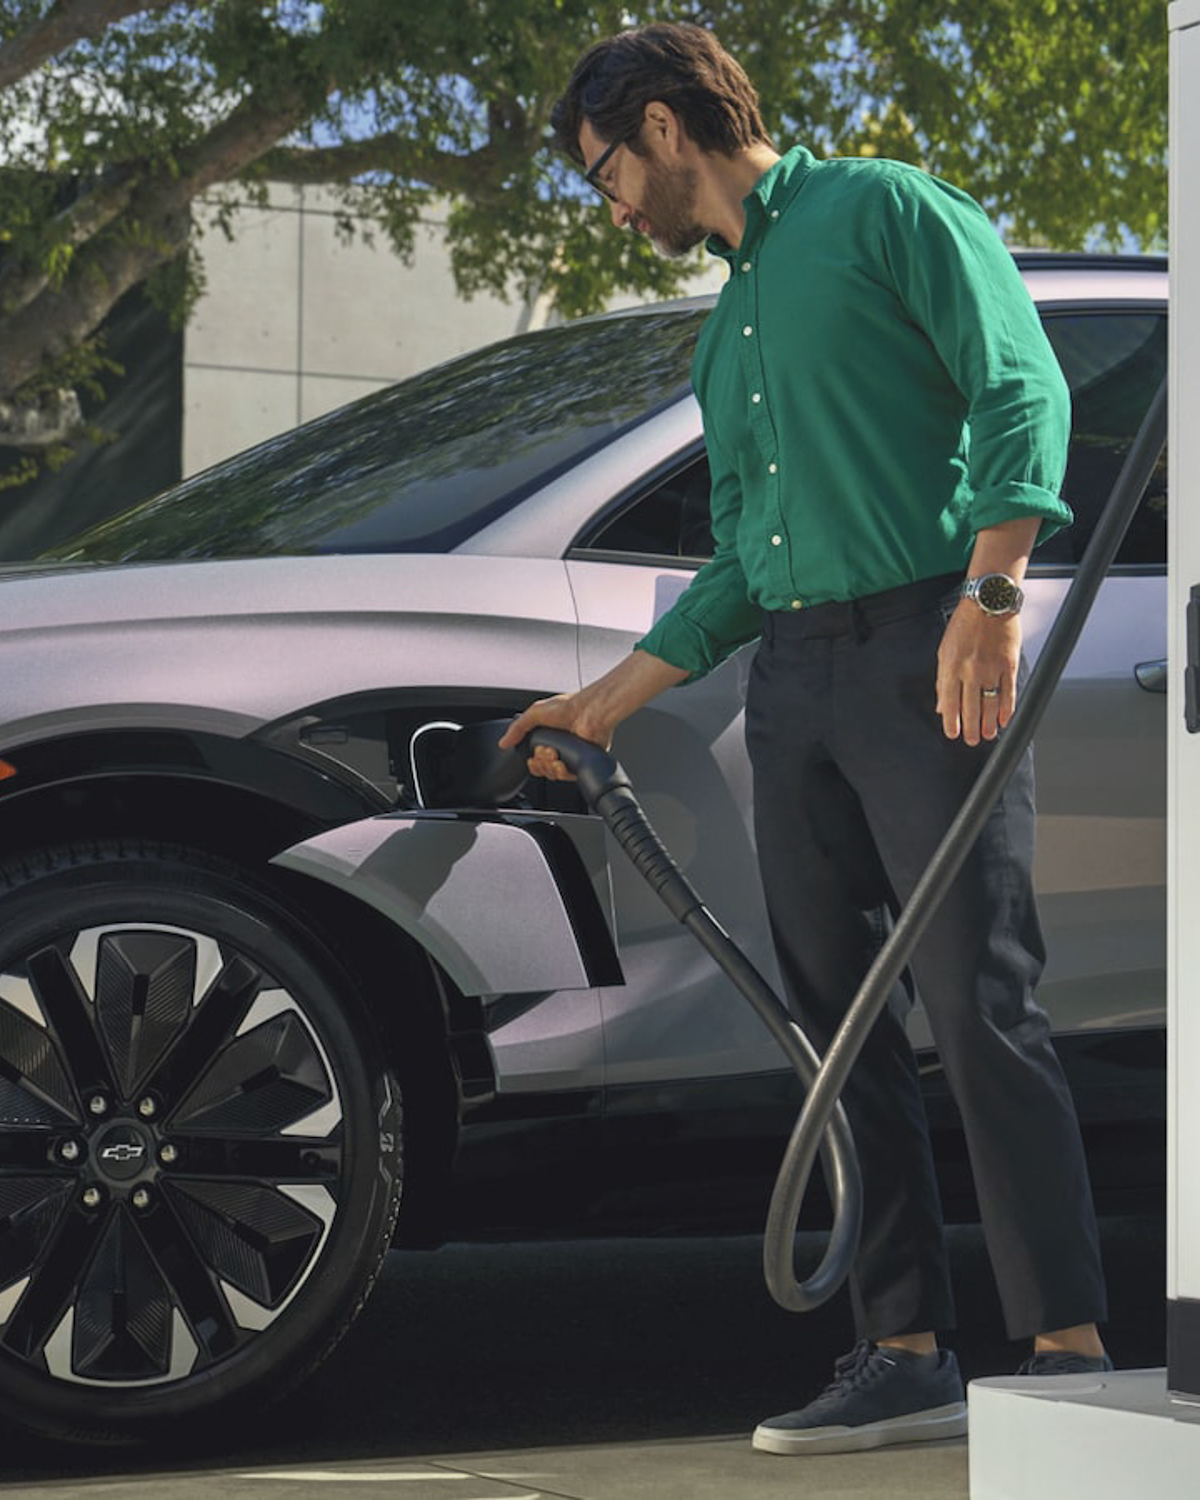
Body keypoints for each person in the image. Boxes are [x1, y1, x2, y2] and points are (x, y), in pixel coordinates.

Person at [509, 22, 1113, 1458]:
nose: (608, 204)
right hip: (794, 678)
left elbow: (1022, 384)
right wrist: (601, 704)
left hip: (928, 647)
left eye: (601, 171)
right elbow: (735, 562)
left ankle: (1071, 1350)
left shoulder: (888, 209)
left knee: (978, 999)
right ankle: (903, 1351)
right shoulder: (728, 330)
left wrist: (991, 595)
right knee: (838, 1031)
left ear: (659, 127)